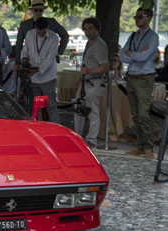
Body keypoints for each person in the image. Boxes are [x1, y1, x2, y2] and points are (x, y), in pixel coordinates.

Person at [120, 7, 159, 159]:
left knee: (143, 114)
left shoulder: (153, 37)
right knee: (136, 115)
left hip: (144, 78)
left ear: (148, 18)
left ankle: (149, 147)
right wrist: (134, 54)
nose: (137, 20)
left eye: (140, 17)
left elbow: (143, 57)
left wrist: (132, 54)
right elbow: (123, 56)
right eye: (135, 17)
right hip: (132, 77)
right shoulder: (132, 36)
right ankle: (140, 146)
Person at [74, 17, 108, 149]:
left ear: (96, 29)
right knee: (78, 110)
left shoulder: (99, 45)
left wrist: (89, 71)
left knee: (92, 112)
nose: (87, 32)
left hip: (93, 82)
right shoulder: (90, 43)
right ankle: (78, 136)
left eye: (90, 29)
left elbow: (104, 67)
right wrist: (79, 79)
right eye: (85, 29)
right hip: (85, 81)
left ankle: (91, 140)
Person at [21, 17, 60, 123]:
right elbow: (25, 50)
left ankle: (56, 128)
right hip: (34, 78)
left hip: (48, 77)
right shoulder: (30, 34)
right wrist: (24, 59)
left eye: (42, 32)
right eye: (38, 31)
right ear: (35, 28)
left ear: (47, 28)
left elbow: (49, 60)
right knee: (35, 107)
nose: (40, 34)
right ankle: (38, 127)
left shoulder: (53, 38)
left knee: (51, 106)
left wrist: (36, 70)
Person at [15, 0, 68, 67]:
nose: (38, 12)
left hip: (49, 60)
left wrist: (59, 52)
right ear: (32, 11)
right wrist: (17, 62)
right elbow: (19, 44)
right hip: (31, 61)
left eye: (40, 10)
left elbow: (65, 35)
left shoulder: (51, 22)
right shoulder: (24, 25)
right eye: (36, 10)